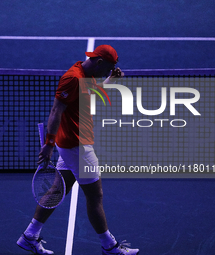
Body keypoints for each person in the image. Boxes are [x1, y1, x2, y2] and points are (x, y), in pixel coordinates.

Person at [17, 45, 139, 255]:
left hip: (73, 145)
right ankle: (109, 246)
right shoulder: (73, 78)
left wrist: (111, 79)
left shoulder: (87, 74)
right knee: (95, 195)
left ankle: (29, 236)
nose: (105, 73)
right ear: (99, 62)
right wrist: (48, 143)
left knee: (57, 190)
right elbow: (56, 110)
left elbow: (93, 94)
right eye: (107, 68)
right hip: (76, 146)